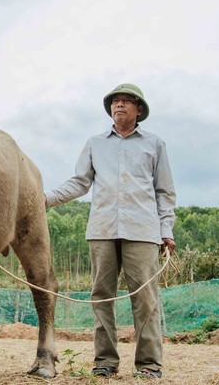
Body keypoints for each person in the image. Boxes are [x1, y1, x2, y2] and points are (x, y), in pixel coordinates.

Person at [45, 83, 176, 379]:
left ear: (138, 110)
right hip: (102, 229)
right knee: (101, 297)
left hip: (143, 231)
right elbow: (80, 182)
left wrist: (166, 229)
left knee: (145, 299)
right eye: (115, 102)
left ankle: (148, 365)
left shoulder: (155, 144)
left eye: (126, 102)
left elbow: (164, 191)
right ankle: (105, 361)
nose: (119, 106)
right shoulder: (95, 143)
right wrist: (46, 198)